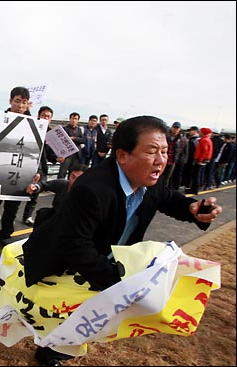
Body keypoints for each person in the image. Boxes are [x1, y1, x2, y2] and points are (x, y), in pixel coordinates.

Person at [22, 115, 223, 366]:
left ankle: (59, 345)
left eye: (164, 151)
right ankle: (48, 350)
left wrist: (193, 208)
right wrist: (120, 284)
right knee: (61, 311)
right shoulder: (93, 188)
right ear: (123, 155)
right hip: (62, 260)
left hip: (102, 254)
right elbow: (74, 246)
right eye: (151, 151)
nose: (161, 160)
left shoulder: (149, 181)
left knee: (89, 312)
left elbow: (170, 198)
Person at [0, 86, 39, 248]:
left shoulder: (34, 123)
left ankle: (5, 234)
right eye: (17, 101)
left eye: (24, 102)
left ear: (28, 104)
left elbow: (38, 150)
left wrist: (37, 171)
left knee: (13, 206)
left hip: (20, 171)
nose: (20, 105)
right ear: (10, 101)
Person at [26, 163, 87, 230]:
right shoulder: (63, 184)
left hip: (73, 221)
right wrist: (35, 187)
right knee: (43, 213)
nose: (74, 181)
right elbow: (43, 185)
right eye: (73, 177)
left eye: (79, 178)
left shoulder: (88, 193)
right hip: (56, 214)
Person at [21, 105, 54, 226]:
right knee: (18, 191)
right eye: (43, 115)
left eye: (48, 116)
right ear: (38, 116)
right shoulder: (31, 128)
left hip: (42, 168)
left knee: (35, 194)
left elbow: (51, 155)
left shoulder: (52, 134)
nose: (45, 118)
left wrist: (58, 158)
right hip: (27, 164)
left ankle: (27, 216)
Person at [56, 112, 85, 179]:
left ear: (78, 120)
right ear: (70, 119)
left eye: (76, 119)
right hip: (67, 154)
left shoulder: (79, 130)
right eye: (72, 118)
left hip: (76, 154)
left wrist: (74, 138)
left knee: (73, 173)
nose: (74, 120)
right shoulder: (65, 129)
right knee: (62, 172)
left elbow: (83, 140)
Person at [186, 127, 213, 195]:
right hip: (203, 160)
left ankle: (194, 189)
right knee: (196, 174)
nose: (199, 133)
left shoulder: (204, 140)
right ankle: (193, 188)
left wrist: (200, 160)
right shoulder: (207, 139)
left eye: (200, 132)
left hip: (200, 160)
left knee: (196, 175)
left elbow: (204, 151)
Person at [161, 121, 188, 189]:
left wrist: (182, 160)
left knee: (167, 178)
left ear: (179, 129)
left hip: (172, 160)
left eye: (177, 128)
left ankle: (163, 191)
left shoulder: (182, 139)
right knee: (159, 175)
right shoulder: (165, 135)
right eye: (174, 127)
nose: (175, 129)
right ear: (171, 127)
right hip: (162, 159)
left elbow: (185, 150)